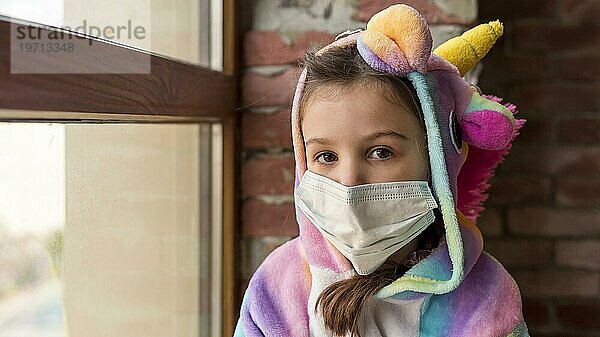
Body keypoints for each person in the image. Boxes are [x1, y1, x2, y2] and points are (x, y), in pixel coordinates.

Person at [235, 4, 529, 337]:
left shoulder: (484, 299)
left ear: (437, 161)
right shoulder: (278, 287)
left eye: (380, 152)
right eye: (326, 156)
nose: (349, 183)